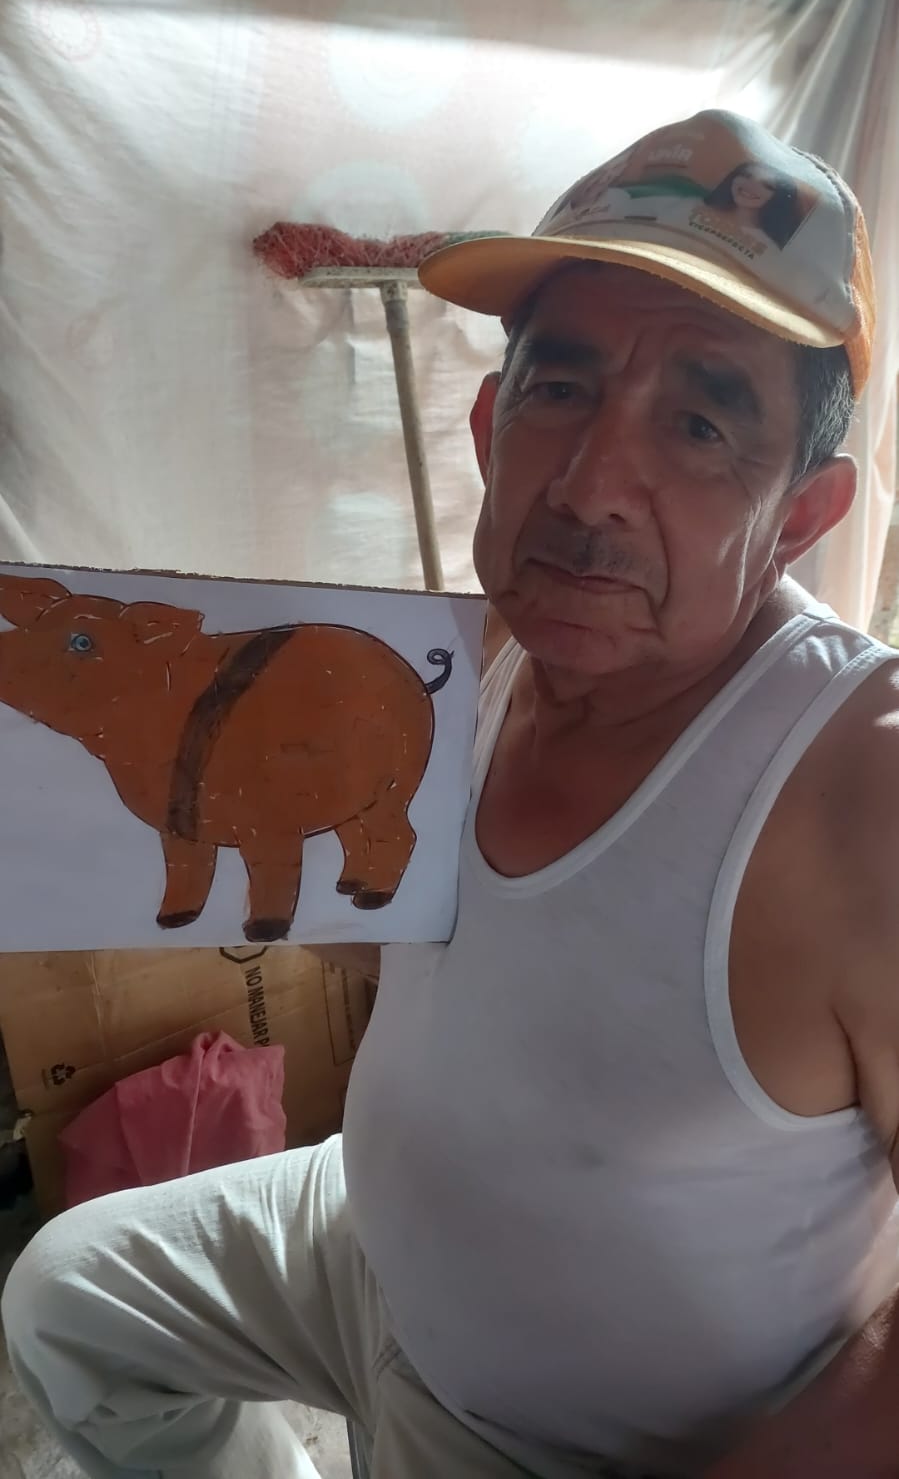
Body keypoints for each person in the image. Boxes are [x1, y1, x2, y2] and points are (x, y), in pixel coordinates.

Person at [3, 107, 898, 1479]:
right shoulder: (459, 660)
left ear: (800, 514)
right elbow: (455, 957)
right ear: (489, 425)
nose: (590, 485)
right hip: (369, 1238)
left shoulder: (857, 787)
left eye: (700, 422)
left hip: (565, 1432)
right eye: (560, 389)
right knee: (73, 1300)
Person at [703, 160, 805, 246]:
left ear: (779, 197)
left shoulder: (770, 247)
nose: (751, 186)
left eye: (767, 185)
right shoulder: (695, 204)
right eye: (747, 176)